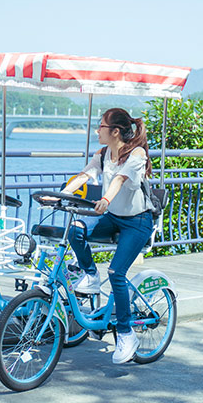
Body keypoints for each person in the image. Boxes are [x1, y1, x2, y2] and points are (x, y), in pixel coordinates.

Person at [60, 107, 155, 364]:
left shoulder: (136, 154)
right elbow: (85, 175)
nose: (96, 131)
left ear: (114, 131)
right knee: (76, 229)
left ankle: (126, 334)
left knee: (116, 273)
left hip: (138, 222)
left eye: (100, 127)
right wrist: (59, 196)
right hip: (113, 218)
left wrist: (104, 198)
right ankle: (90, 274)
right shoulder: (102, 154)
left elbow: (120, 180)